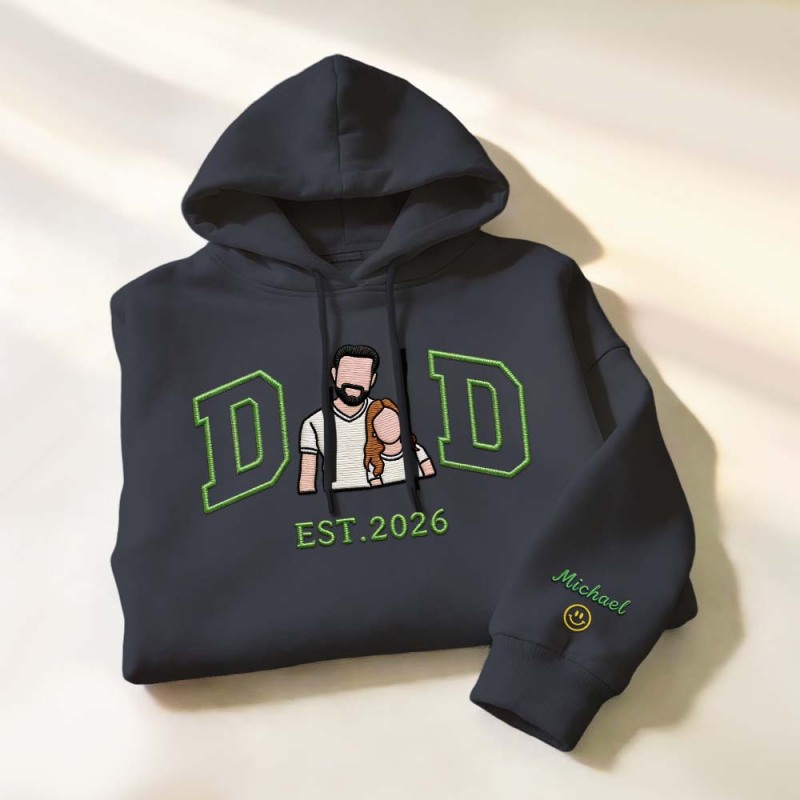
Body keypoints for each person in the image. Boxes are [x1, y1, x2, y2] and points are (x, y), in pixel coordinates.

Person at [298, 344, 379, 493]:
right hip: (333, 502)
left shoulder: (384, 415)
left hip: (385, 500)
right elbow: (307, 481)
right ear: (334, 374)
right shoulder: (313, 423)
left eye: (361, 374)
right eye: (347, 372)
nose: (354, 381)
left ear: (372, 379)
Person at [364, 398, 436, 487]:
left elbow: (431, 478)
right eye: (382, 425)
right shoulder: (373, 463)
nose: (389, 428)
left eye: (392, 421)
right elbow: (378, 491)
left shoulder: (417, 450)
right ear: (373, 432)